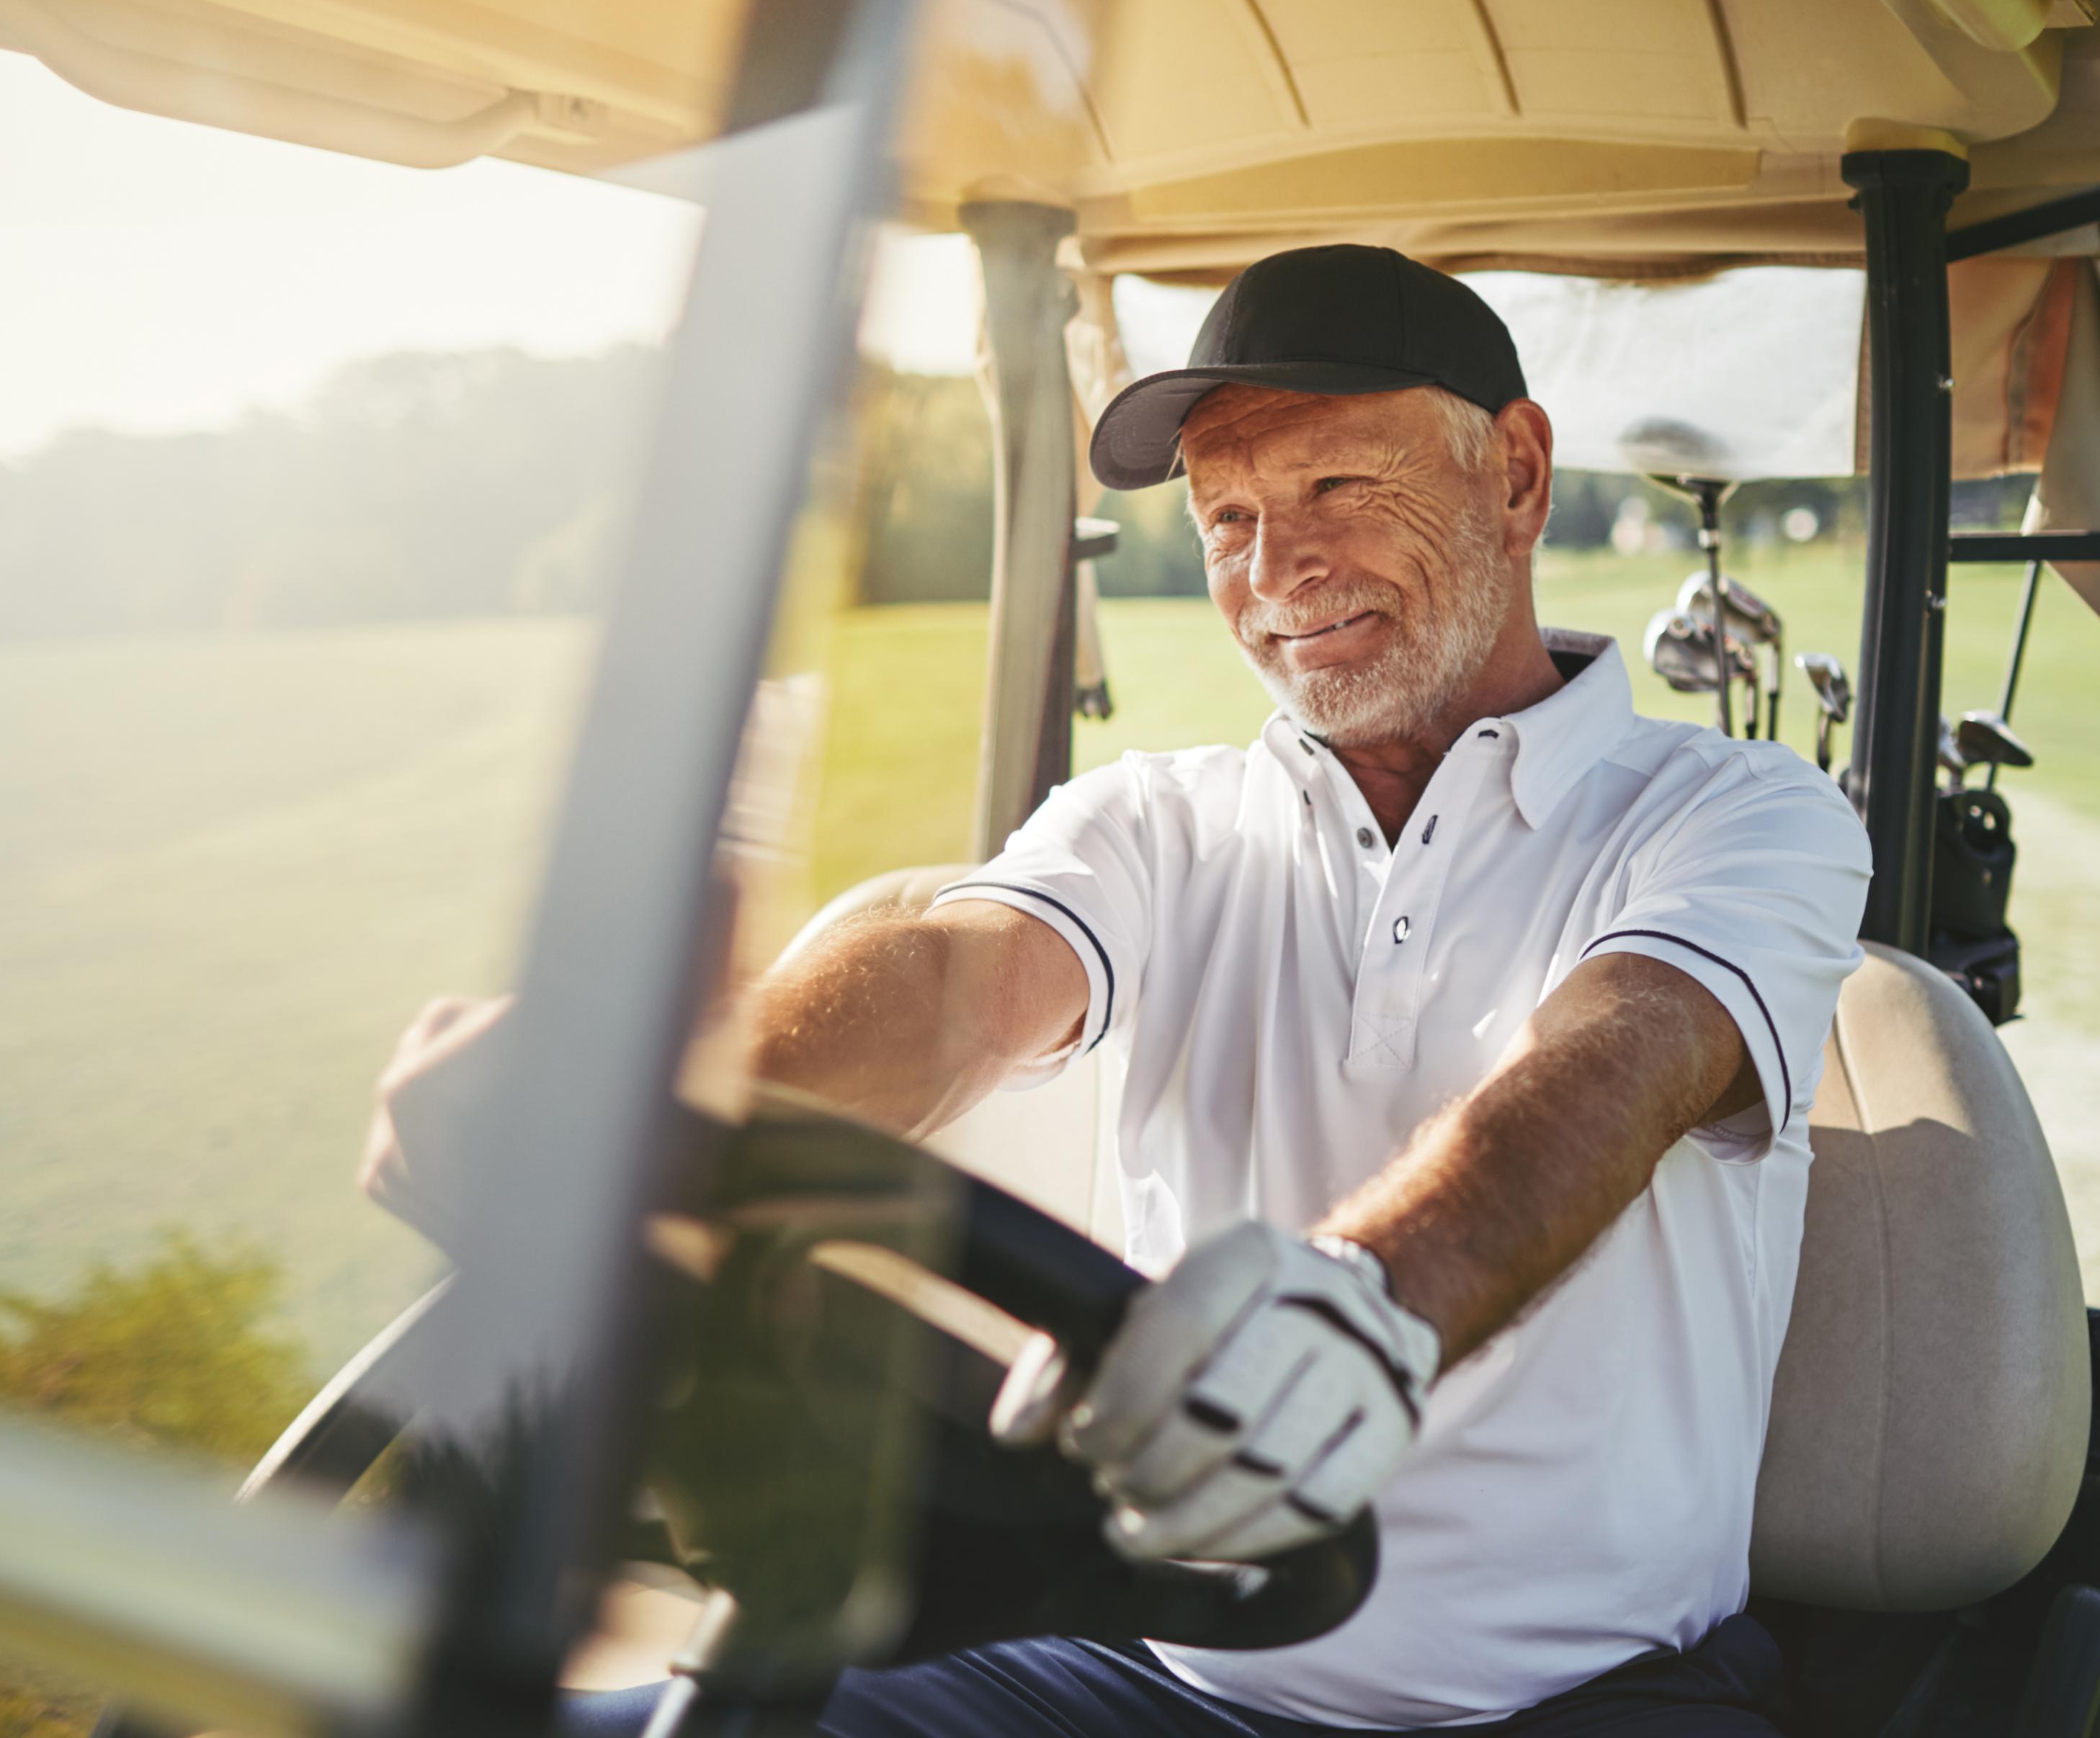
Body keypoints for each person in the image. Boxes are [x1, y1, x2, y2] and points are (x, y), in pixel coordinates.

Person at [371, 244, 1869, 1735]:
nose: (1278, 573)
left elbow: (1621, 1056)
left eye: (1338, 488)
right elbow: (962, 974)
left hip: (1588, 1698)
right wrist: (647, 1108)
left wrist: (1362, 1301)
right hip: (1140, 1665)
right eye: (1229, 516)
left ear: (1520, 477)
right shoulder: (1160, 818)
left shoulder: (1738, 814)